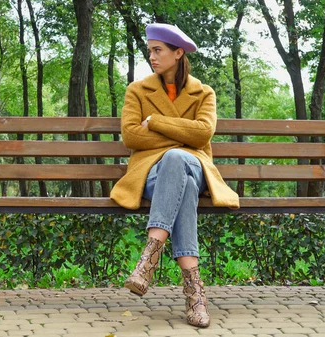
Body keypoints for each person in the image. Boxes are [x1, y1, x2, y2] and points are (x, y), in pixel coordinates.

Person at [110, 23, 240, 328]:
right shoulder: (137, 90)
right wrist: (183, 136)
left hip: (194, 165)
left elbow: (204, 132)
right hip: (152, 176)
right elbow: (131, 137)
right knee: (180, 171)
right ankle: (195, 294)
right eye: (150, 50)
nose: (151, 56)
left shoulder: (203, 93)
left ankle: (149, 259)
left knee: (179, 159)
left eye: (158, 50)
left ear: (178, 53)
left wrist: (154, 121)